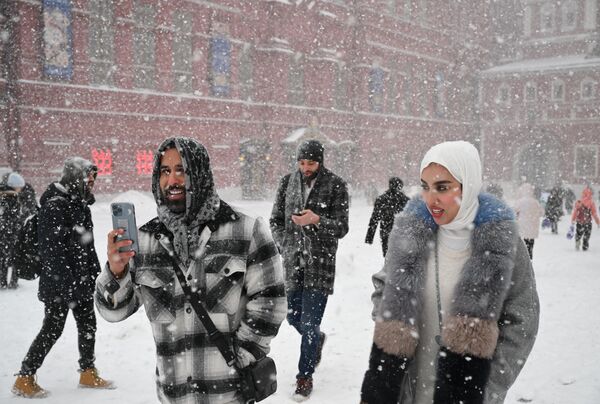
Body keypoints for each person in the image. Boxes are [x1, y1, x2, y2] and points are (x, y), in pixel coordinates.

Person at [95, 137, 287, 404]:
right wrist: (116, 272)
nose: (172, 180)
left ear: (200, 173)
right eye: (165, 171)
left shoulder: (246, 230)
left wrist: (238, 358)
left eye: (181, 170)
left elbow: (271, 303)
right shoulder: (145, 241)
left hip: (229, 397)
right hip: (173, 396)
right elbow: (113, 311)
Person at [360, 141, 539, 404]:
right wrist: (393, 327)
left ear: (468, 185)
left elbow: (523, 320)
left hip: (468, 393)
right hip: (406, 389)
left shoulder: (503, 243)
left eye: (442, 187)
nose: (431, 198)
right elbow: (383, 286)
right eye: (425, 186)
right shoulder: (411, 235)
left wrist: (490, 384)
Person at [13, 158, 113, 398]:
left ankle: (87, 371)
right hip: (61, 284)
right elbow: (52, 252)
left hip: (82, 280)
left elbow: (86, 248)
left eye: (93, 178)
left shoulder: (79, 204)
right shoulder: (55, 206)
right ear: (74, 177)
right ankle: (24, 377)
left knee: (88, 325)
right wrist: (67, 285)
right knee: (52, 329)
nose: (91, 182)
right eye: (87, 177)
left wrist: (95, 275)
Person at [270, 139, 349, 400]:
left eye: (311, 163)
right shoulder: (286, 182)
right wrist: (284, 244)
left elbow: (342, 227)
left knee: (310, 322)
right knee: (292, 317)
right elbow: (275, 221)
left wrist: (317, 220)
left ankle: (304, 376)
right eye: (302, 162)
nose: (306, 167)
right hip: (293, 264)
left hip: (321, 263)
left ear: (321, 161)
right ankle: (316, 339)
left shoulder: (335, 185)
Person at [365, 177, 410, 256]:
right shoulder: (406, 200)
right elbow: (411, 219)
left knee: (387, 256)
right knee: (401, 258)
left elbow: (374, 219)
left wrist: (369, 237)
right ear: (400, 186)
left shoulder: (381, 199)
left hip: (386, 232)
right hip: (401, 233)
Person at [0, 172, 25, 289]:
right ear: (14, 185)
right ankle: (13, 282)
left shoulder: (2, 196)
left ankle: (2, 281)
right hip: (11, 233)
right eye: (20, 186)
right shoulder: (12, 197)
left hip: (3, 232)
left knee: (2, 258)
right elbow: (14, 218)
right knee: (16, 257)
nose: (21, 189)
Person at [514, 183, 545, 259]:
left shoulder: (520, 202)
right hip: (532, 227)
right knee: (530, 245)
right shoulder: (535, 202)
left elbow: (514, 212)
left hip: (523, 227)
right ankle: (530, 260)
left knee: (523, 246)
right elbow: (542, 213)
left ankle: (524, 262)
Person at [570, 186, 600, 251]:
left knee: (578, 233)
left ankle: (577, 241)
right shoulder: (591, 203)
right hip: (588, 222)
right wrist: (598, 222)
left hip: (579, 221)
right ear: (590, 194)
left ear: (583, 194)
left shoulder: (579, 202)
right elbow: (594, 214)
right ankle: (585, 246)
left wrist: (573, 220)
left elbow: (575, 212)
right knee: (587, 234)